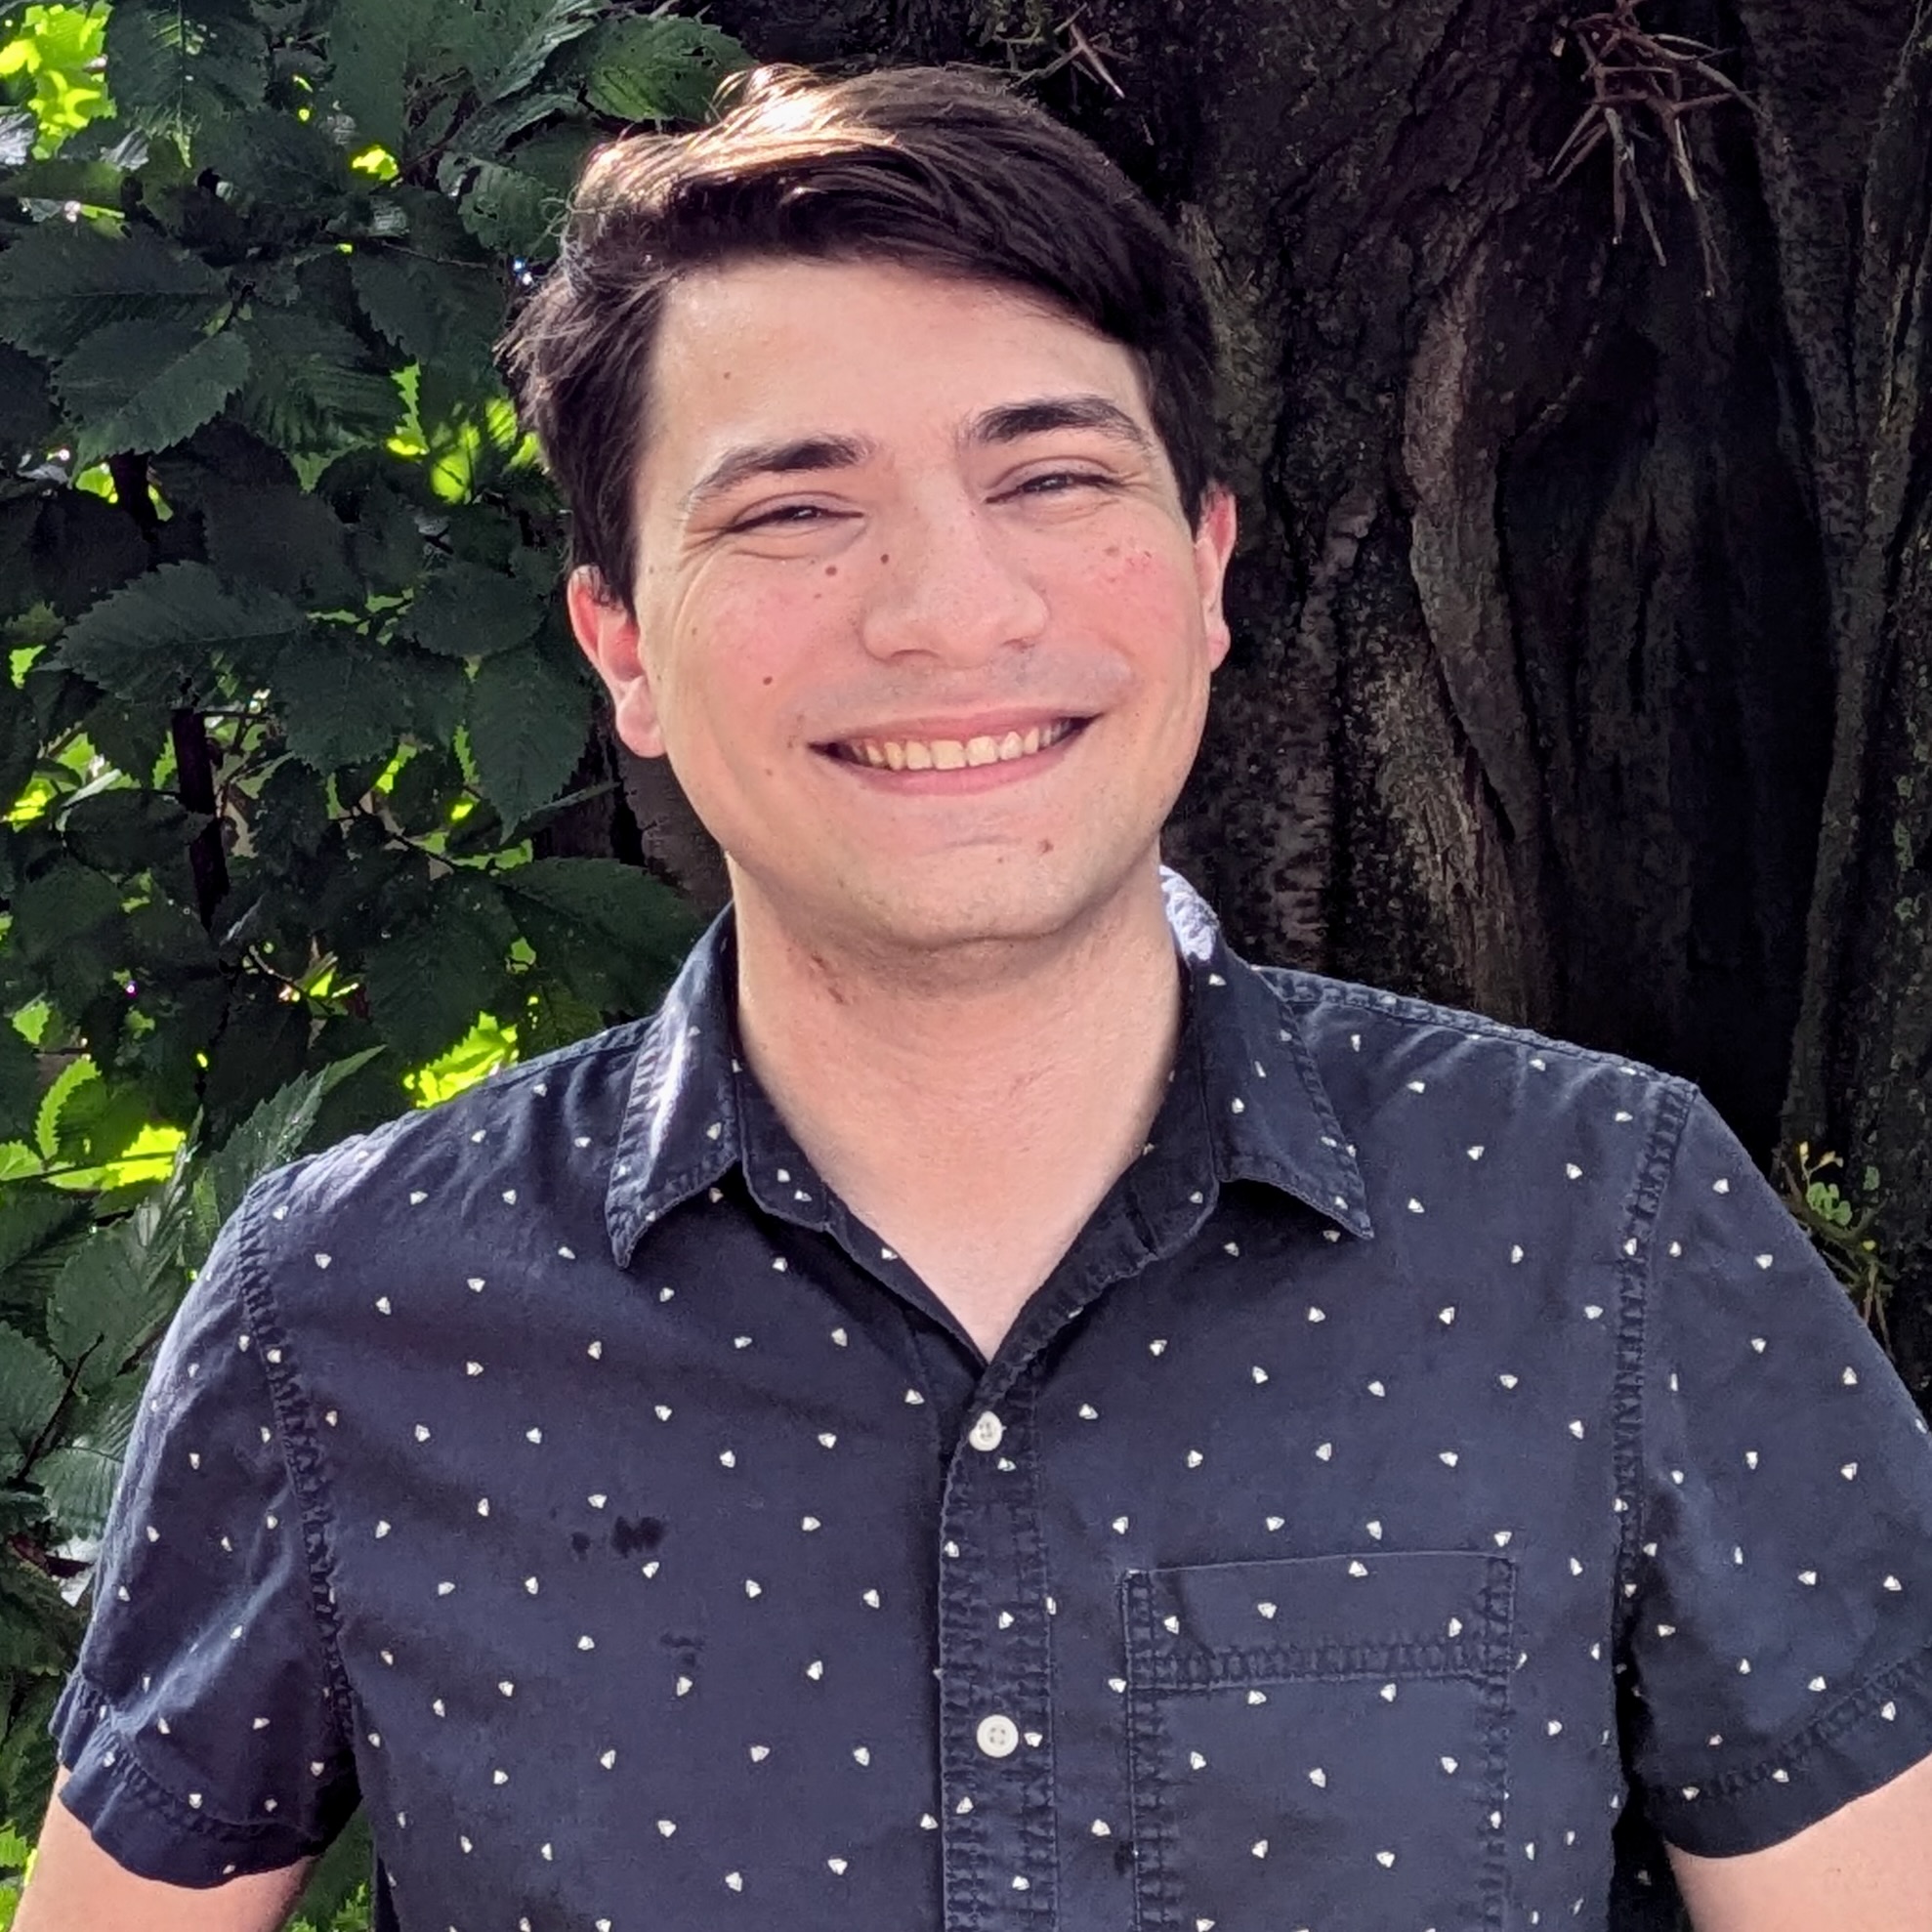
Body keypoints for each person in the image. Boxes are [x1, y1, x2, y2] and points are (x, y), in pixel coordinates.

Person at [19, 59, 1932, 1932]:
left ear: (1200, 575)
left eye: (1048, 475)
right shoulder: (345, 1306)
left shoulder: (1600, 1218)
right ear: (620, 650)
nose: (948, 609)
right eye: (787, 510)